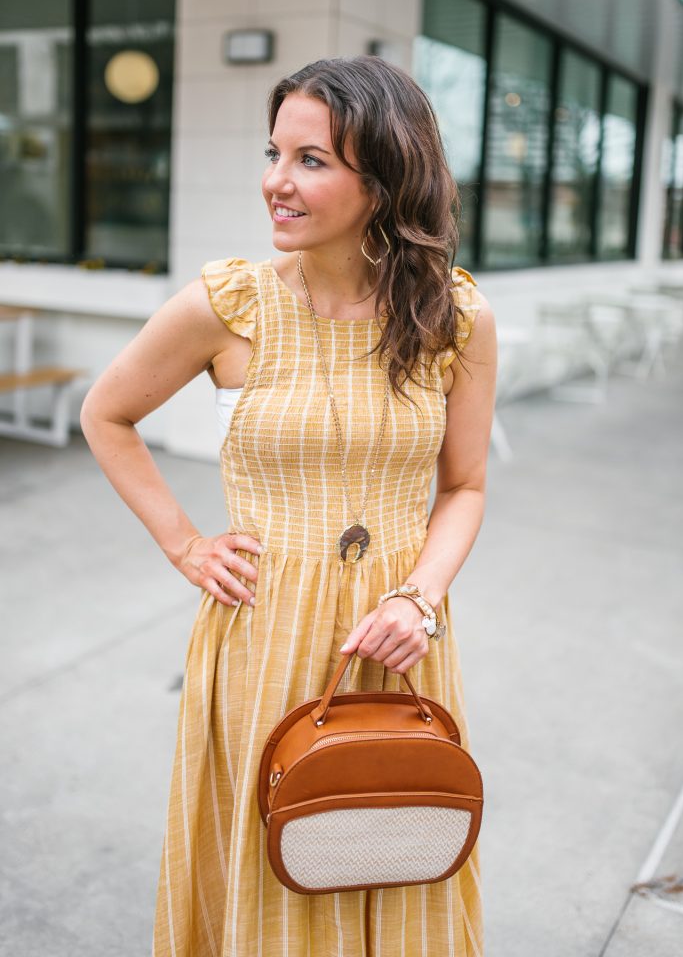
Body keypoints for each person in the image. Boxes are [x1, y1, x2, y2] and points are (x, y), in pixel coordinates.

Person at [80, 55, 497, 957]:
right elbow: (105, 414)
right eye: (274, 153)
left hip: (398, 635)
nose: (277, 181)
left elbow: (464, 487)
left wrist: (418, 597)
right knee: (272, 852)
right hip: (261, 631)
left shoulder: (454, 317)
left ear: (385, 178)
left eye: (311, 160)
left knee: (389, 841)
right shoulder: (229, 305)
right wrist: (186, 545)